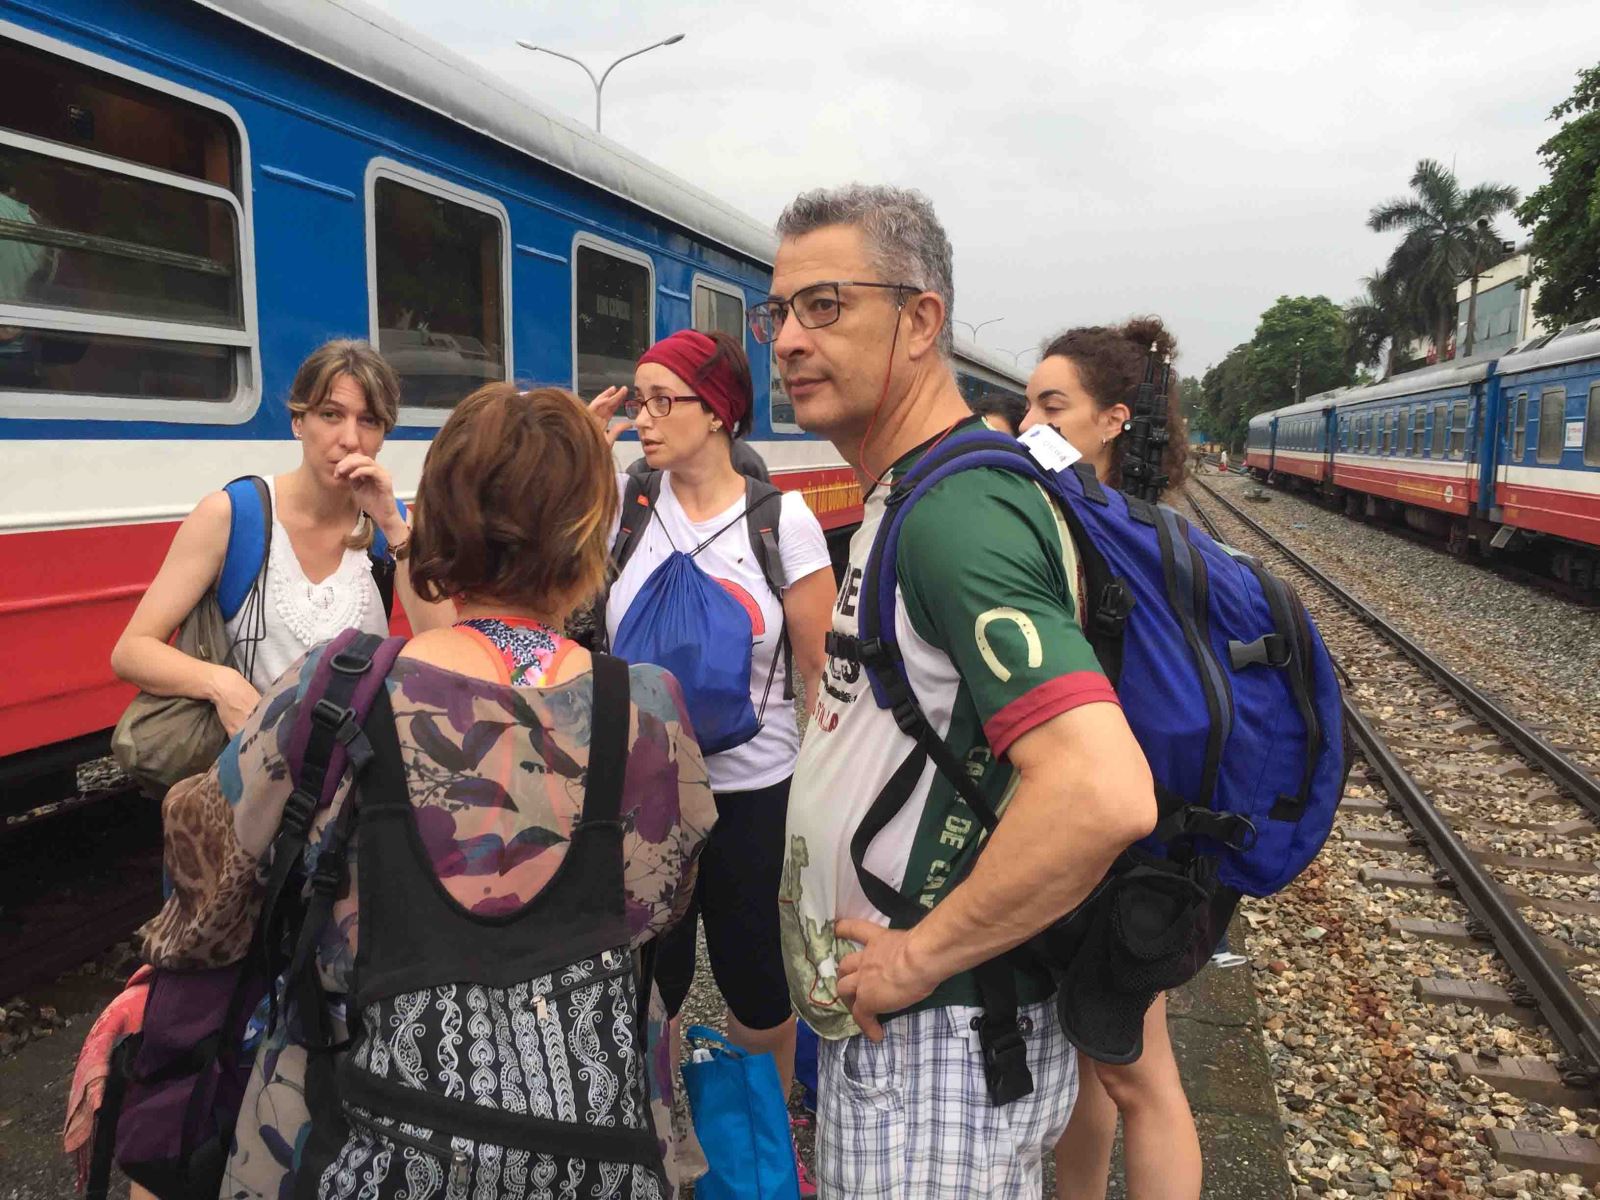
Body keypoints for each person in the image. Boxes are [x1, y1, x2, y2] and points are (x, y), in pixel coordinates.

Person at [138, 383, 717, 1197]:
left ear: (437, 516)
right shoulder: (649, 708)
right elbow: (662, 902)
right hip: (595, 1144)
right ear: (590, 535)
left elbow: (209, 890)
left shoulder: (335, 690)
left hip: (342, 1131)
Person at [762, 183, 1158, 1199]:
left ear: (920, 319)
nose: (788, 340)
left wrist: (917, 957)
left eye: (826, 305)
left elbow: (1099, 792)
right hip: (915, 1045)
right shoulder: (906, 492)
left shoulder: (959, 516)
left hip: (936, 1054)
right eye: (780, 311)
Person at [592, 329, 835, 1174]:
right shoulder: (622, 506)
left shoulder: (783, 523)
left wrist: (833, 805)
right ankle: (652, 1134)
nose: (645, 418)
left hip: (752, 793)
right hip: (641, 790)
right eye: (638, 398)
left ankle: (763, 1149)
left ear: (719, 411)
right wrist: (582, 455)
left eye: (664, 400)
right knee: (642, 980)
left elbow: (821, 675)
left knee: (756, 982)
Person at [1020, 318, 1201, 1200]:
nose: (1031, 424)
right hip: (1104, 826)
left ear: (1114, 420)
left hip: (1132, 840)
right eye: (1028, 403)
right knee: (1088, 1059)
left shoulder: (1115, 534)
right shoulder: (1124, 526)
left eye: (1052, 406)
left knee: (1141, 1077)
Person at [111, 339, 454, 731]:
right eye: (330, 414)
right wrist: (220, 683)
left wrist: (393, 524)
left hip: (358, 775)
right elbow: (131, 651)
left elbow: (445, 642)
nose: (350, 438)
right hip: (253, 777)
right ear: (297, 422)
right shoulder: (232, 515)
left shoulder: (391, 525)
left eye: (369, 421)